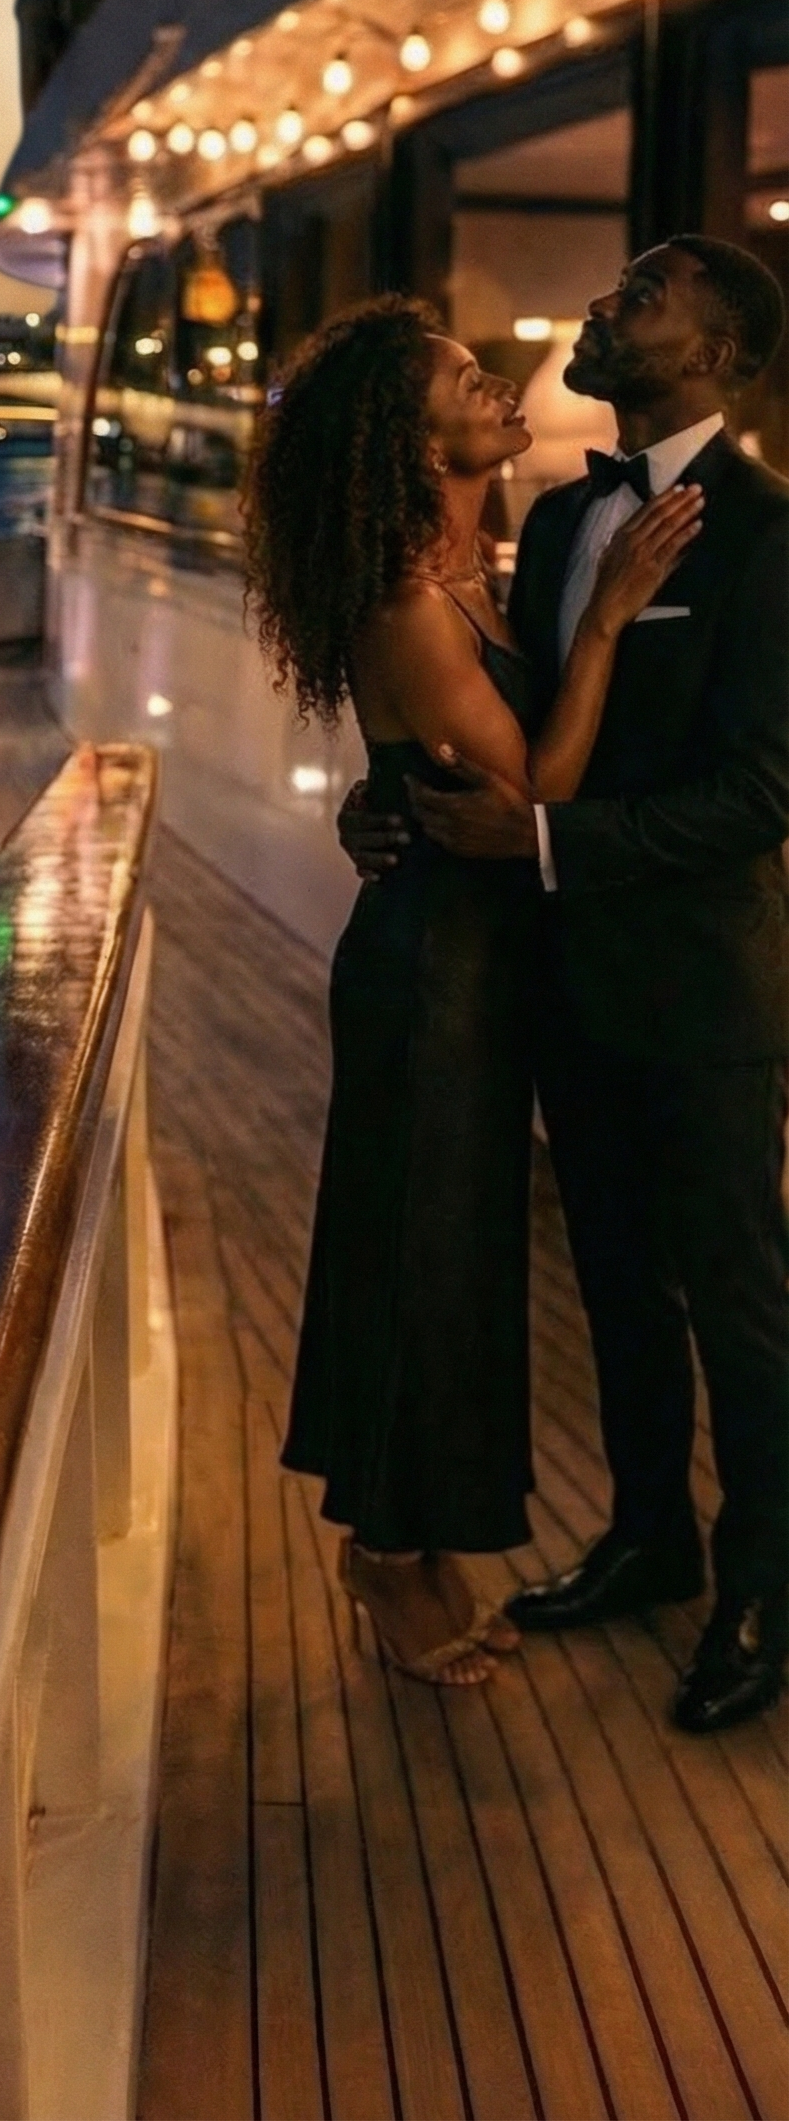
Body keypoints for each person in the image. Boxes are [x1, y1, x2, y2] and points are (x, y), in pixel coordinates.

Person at [346, 236, 789, 1736]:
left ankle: (764, 1588)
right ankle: (650, 1534)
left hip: (701, 991)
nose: (604, 307)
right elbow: (512, 712)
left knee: (739, 1296)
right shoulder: (556, 508)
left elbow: (764, 792)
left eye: (645, 295)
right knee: (613, 1282)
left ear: (719, 352)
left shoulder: (767, 535)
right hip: (567, 985)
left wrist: (551, 841)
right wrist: (391, 797)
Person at [245, 298, 701, 1684]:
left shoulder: (480, 575)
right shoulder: (406, 600)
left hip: (487, 963)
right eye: (460, 378)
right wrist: (614, 619)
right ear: (408, 435)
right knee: (419, 1256)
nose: (497, 381)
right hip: (436, 970)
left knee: (456, 1260)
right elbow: (533, 791)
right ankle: (386, 1557)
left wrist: (372, 795)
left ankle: (420, 1539)